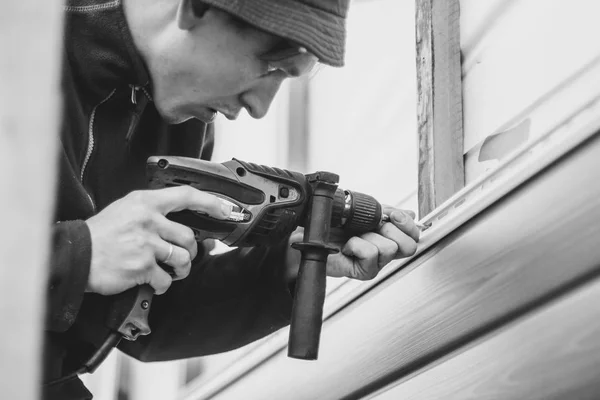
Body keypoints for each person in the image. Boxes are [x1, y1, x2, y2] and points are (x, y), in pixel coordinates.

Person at [45, 0, 421, 398]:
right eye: (272, 66)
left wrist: (288, 264)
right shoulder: (17, 42)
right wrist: (76, 255)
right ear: (195, 9)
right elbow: (79, 262)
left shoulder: (182, 114)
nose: (259, 108)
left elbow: (158, 314)